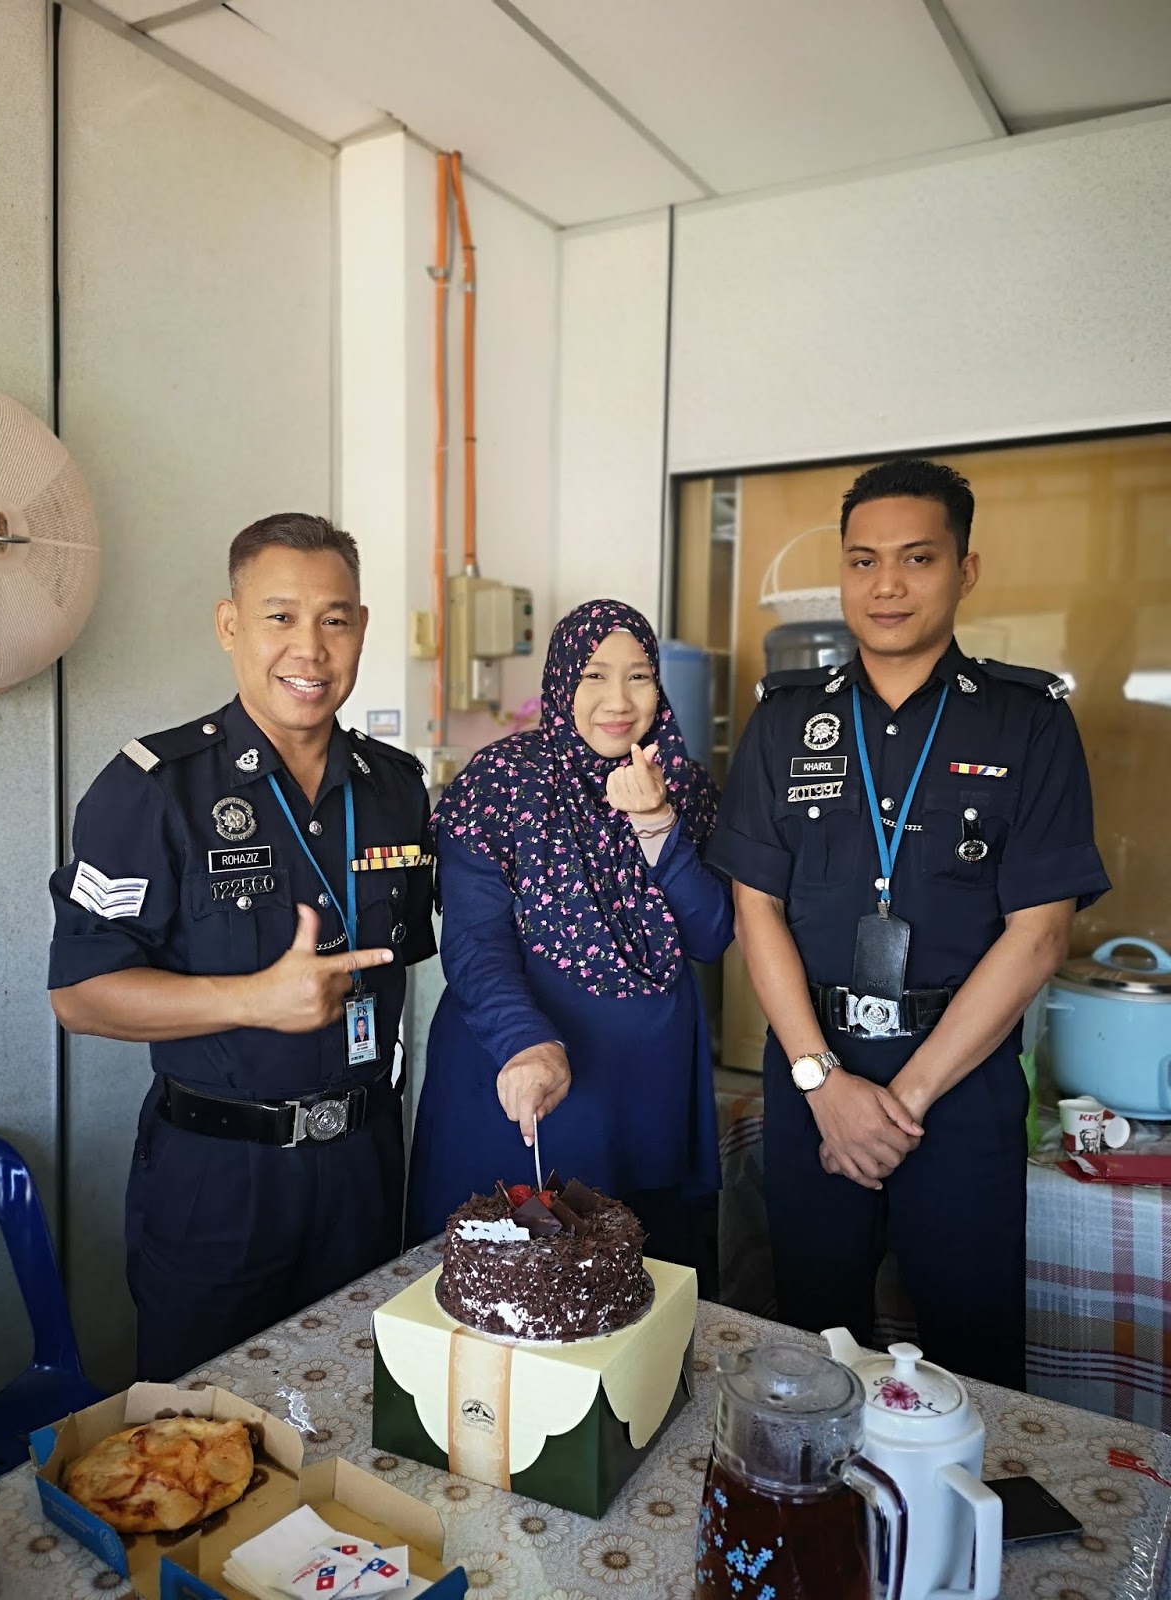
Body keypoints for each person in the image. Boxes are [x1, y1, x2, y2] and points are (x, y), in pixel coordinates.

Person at [708, 459, 1110, 1389]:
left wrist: (905, 1102)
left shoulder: (1028, 724)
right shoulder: (785, 721)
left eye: (917, 558)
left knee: (971, 1351)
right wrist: (825, 1084)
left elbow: (1040, 934)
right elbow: (755, 908)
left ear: (965, 571)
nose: (886, 584)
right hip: (813, 1074)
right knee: (815, 1346)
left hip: (960, 1090)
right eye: (863, 561)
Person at [48, 513, 435, 1380]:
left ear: (361, 629)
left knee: (355, 1409)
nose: (310, 648)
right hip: (219, 1179)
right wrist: (254, 999)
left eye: (334, 619)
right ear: (230, 625)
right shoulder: (154, 790)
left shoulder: (395, 790)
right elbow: (79, 995)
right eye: (280, 617)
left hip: (365, 1165)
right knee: (205, 1426)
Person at [405, 599, 732, 1277]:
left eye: (639, 676)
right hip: (526, 1069)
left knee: (639, 1278)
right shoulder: (501, 783)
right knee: (505, 1280)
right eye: (594, 676)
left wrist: (657, 823)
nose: (619, 700)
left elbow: (710, 935)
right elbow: (475, 942)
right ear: (561, 681)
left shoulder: (684, 784)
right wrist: (524, 1042)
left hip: (649, 1081)